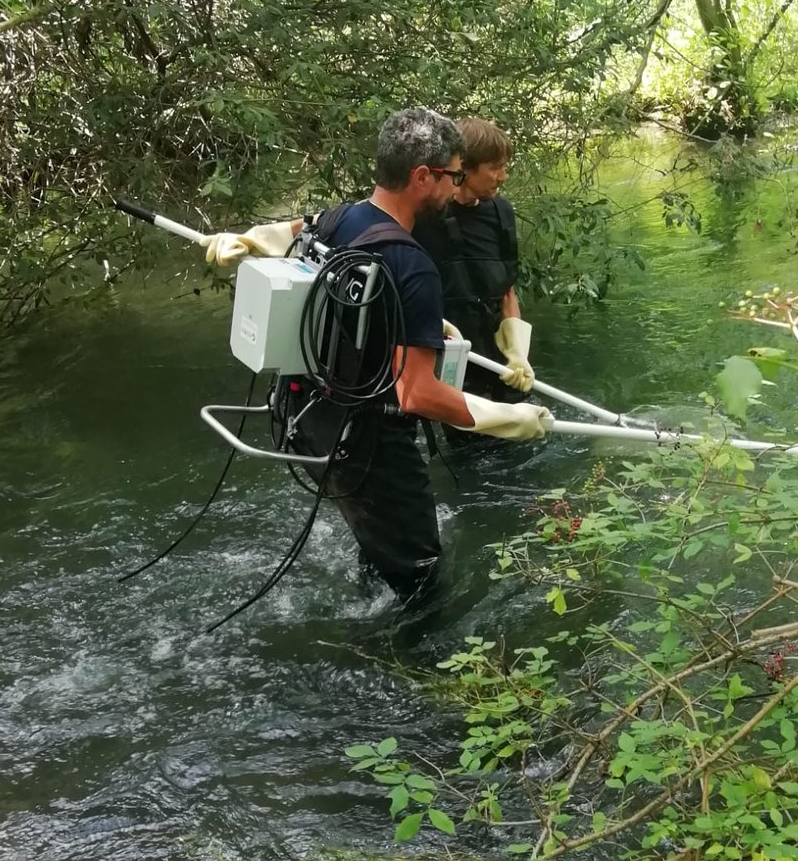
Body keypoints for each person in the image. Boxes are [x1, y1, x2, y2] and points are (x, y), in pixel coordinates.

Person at [201, 108, 550, 602]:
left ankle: (368, 595)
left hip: (307, 422)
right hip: (368, 444)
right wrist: (510, 416)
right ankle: (403, 673)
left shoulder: (345, 218)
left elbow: (300, 232)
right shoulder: (413, 266)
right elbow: (417, 392)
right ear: (422, 177)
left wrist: (251, 238)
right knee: (424, 582)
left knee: (381, 542)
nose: (456, 190)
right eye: (452, 176)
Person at [411, 119, 533, 436]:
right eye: (495, 168)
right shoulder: (421, 216)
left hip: (503, 367)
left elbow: (508, 293)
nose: (502, 177)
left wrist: (518, 354)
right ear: (465, 167)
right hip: (455, 375)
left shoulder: (501, 214)